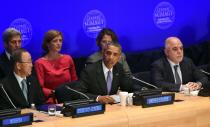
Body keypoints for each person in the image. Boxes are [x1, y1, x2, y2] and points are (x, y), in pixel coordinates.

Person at [34, 30, 78, 103]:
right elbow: (40, 88)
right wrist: (56, 94)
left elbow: (75, 81)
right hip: (51, 100)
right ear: (47, 44)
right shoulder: (39, 63)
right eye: (55, 41)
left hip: (70, 98)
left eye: (60, 40)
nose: (59, 43)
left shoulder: (68, 59)